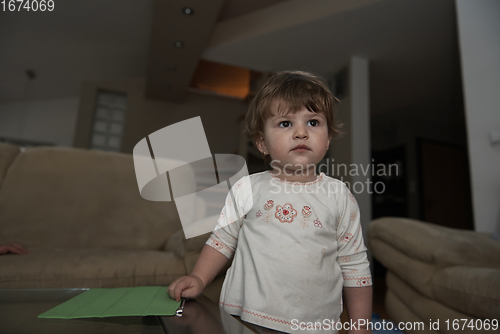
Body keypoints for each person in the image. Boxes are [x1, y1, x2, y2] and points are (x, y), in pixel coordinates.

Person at [168, 71, 372, 333]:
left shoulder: (340, 196)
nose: (301, 133)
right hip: (244, 318)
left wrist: (361, 326)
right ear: (262, 143)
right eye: (286, 123)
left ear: (328, 138)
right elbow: (223, 240)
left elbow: (354, 265)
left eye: (313, 122)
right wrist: (198, 277)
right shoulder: (247, 187)